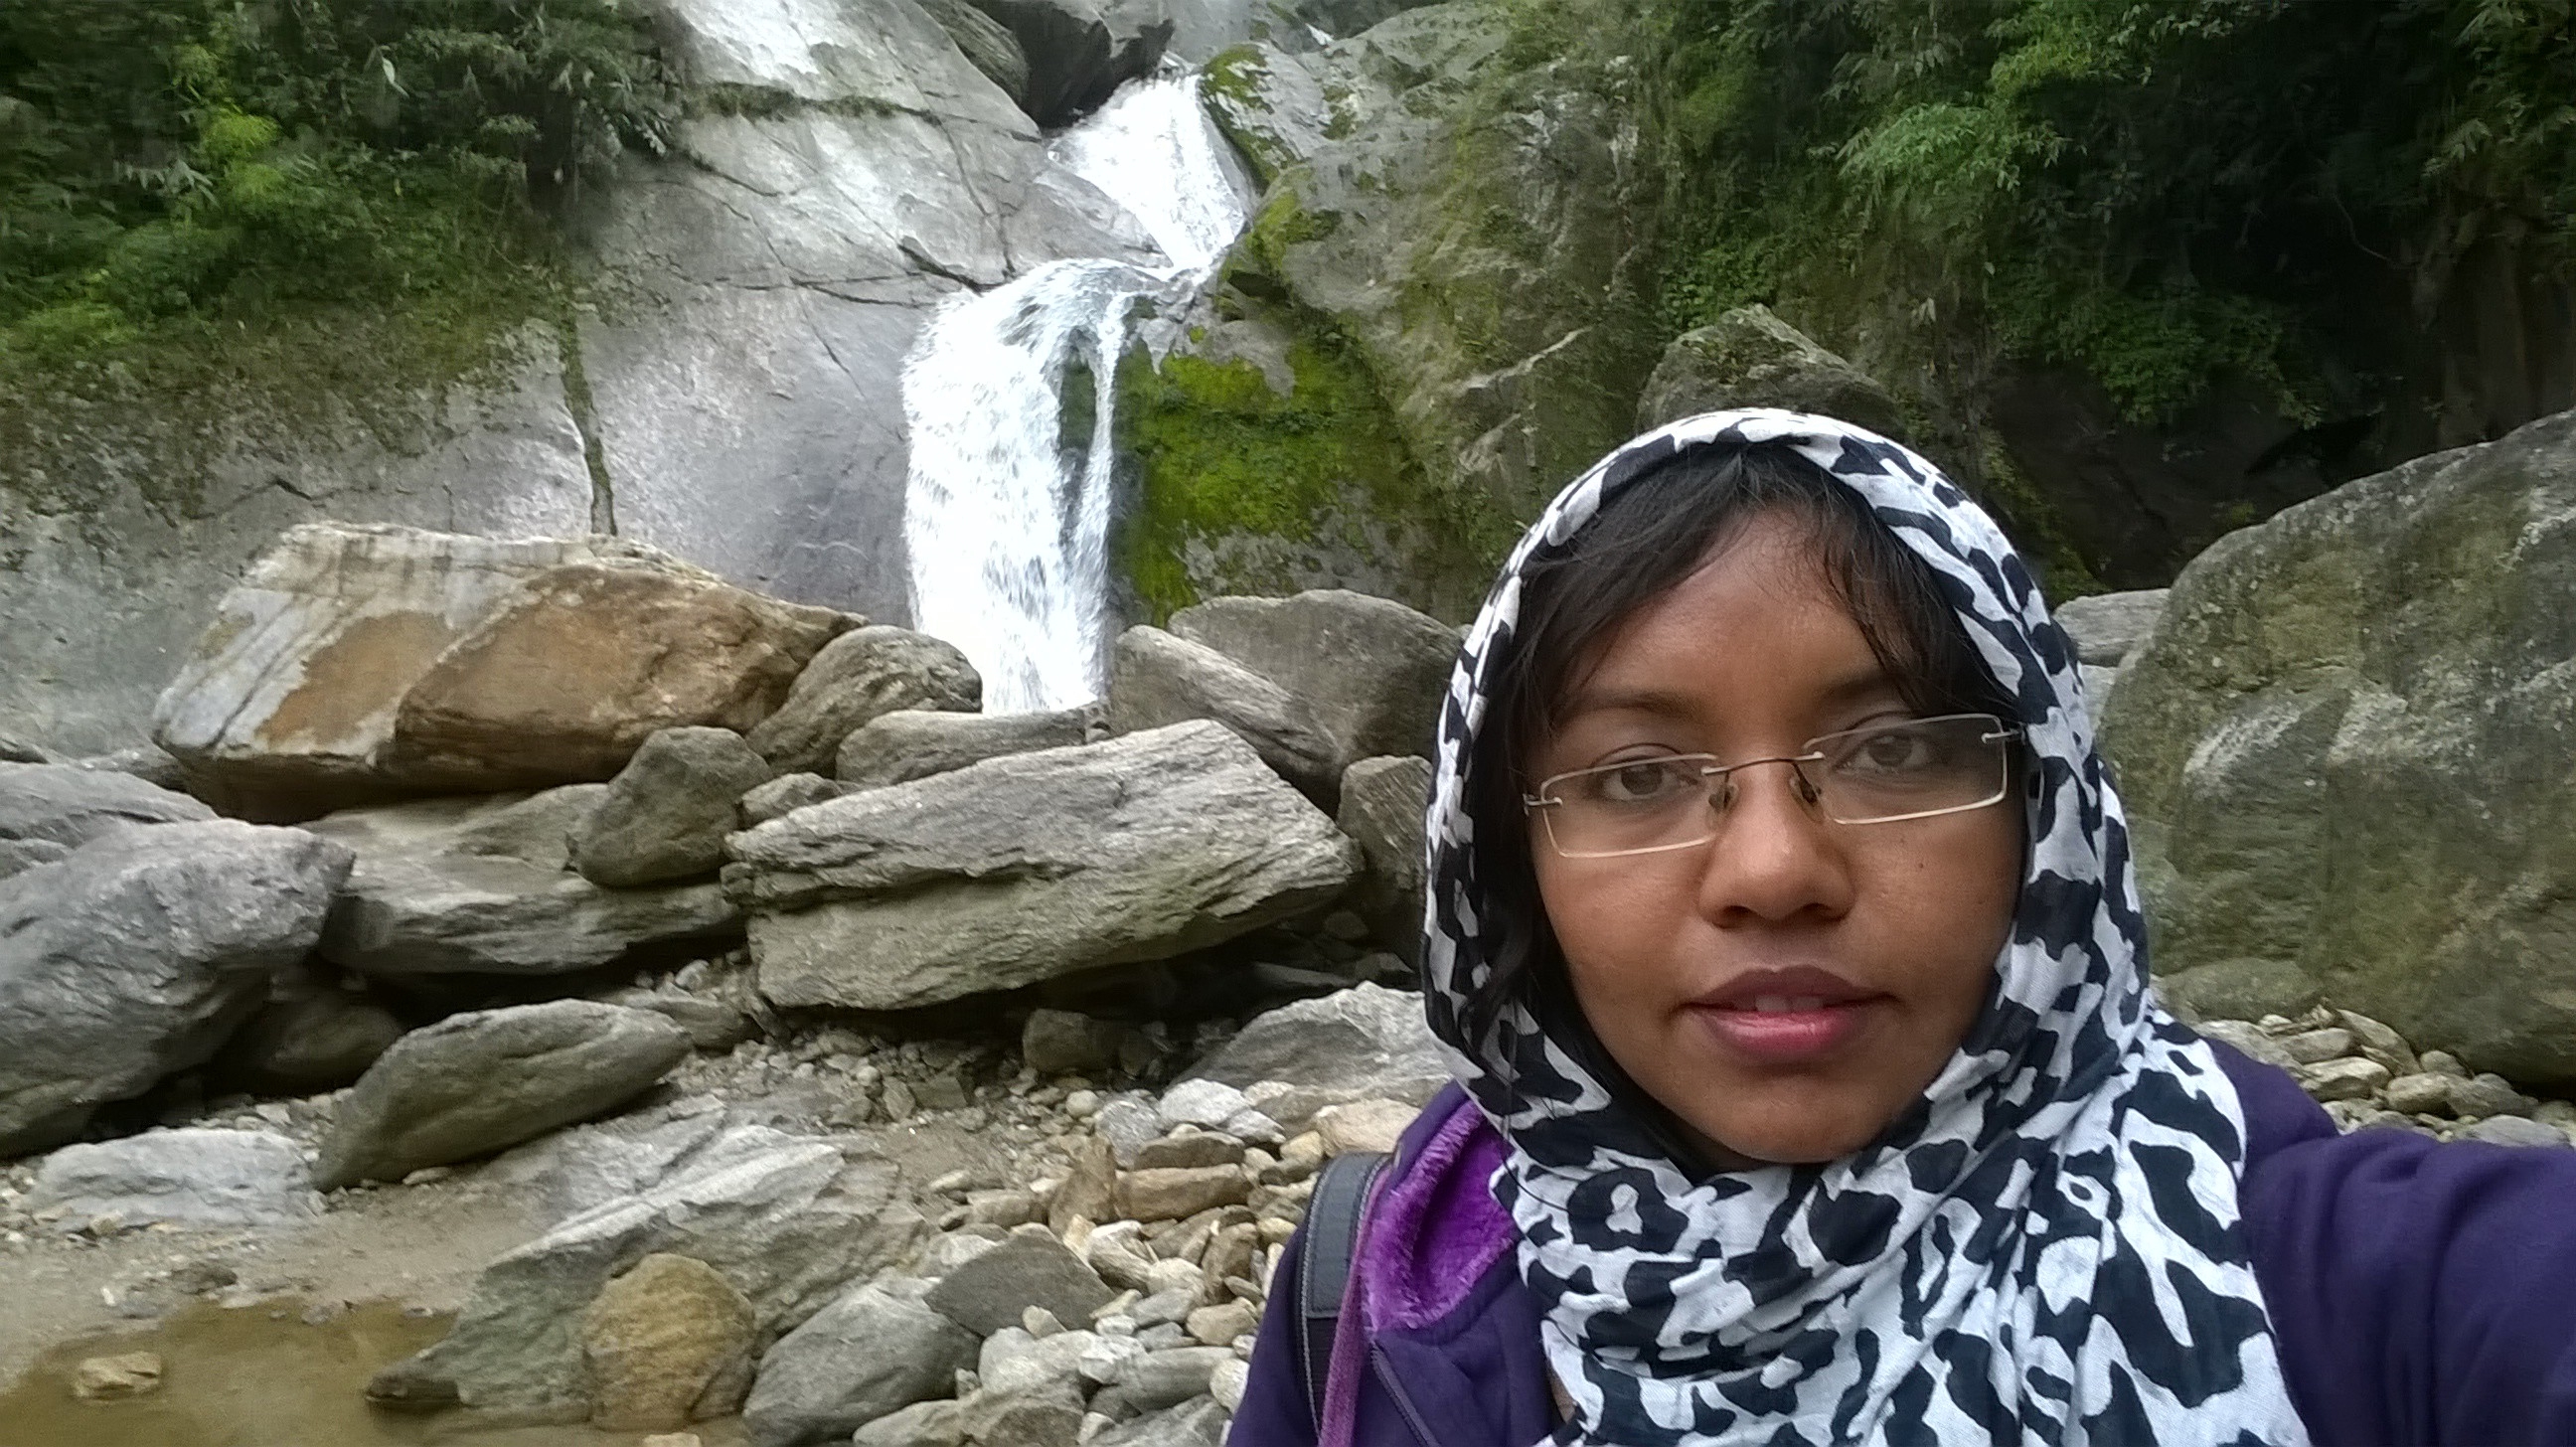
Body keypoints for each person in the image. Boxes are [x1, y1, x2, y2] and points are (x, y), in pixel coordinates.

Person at [1229, 410, 2576, 1447]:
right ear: (1507, 868)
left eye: (1897, 751)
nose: (1772, 871)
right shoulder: (1378, 1294)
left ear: (2045, 823)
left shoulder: (2353, 1286)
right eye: (1635, 776)